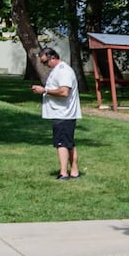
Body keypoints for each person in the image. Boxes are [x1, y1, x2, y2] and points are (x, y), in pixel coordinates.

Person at [32, 47, 82, 179]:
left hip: (63, 113)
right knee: (68, 143)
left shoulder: (63, 71)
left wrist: (45, 91)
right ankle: (74, 172)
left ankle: (64, 173)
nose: (45, 65)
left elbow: (64, 92)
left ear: (53, 57)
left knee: (62, 144)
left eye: (45, 62)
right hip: (62, 113)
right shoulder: (58, 70)